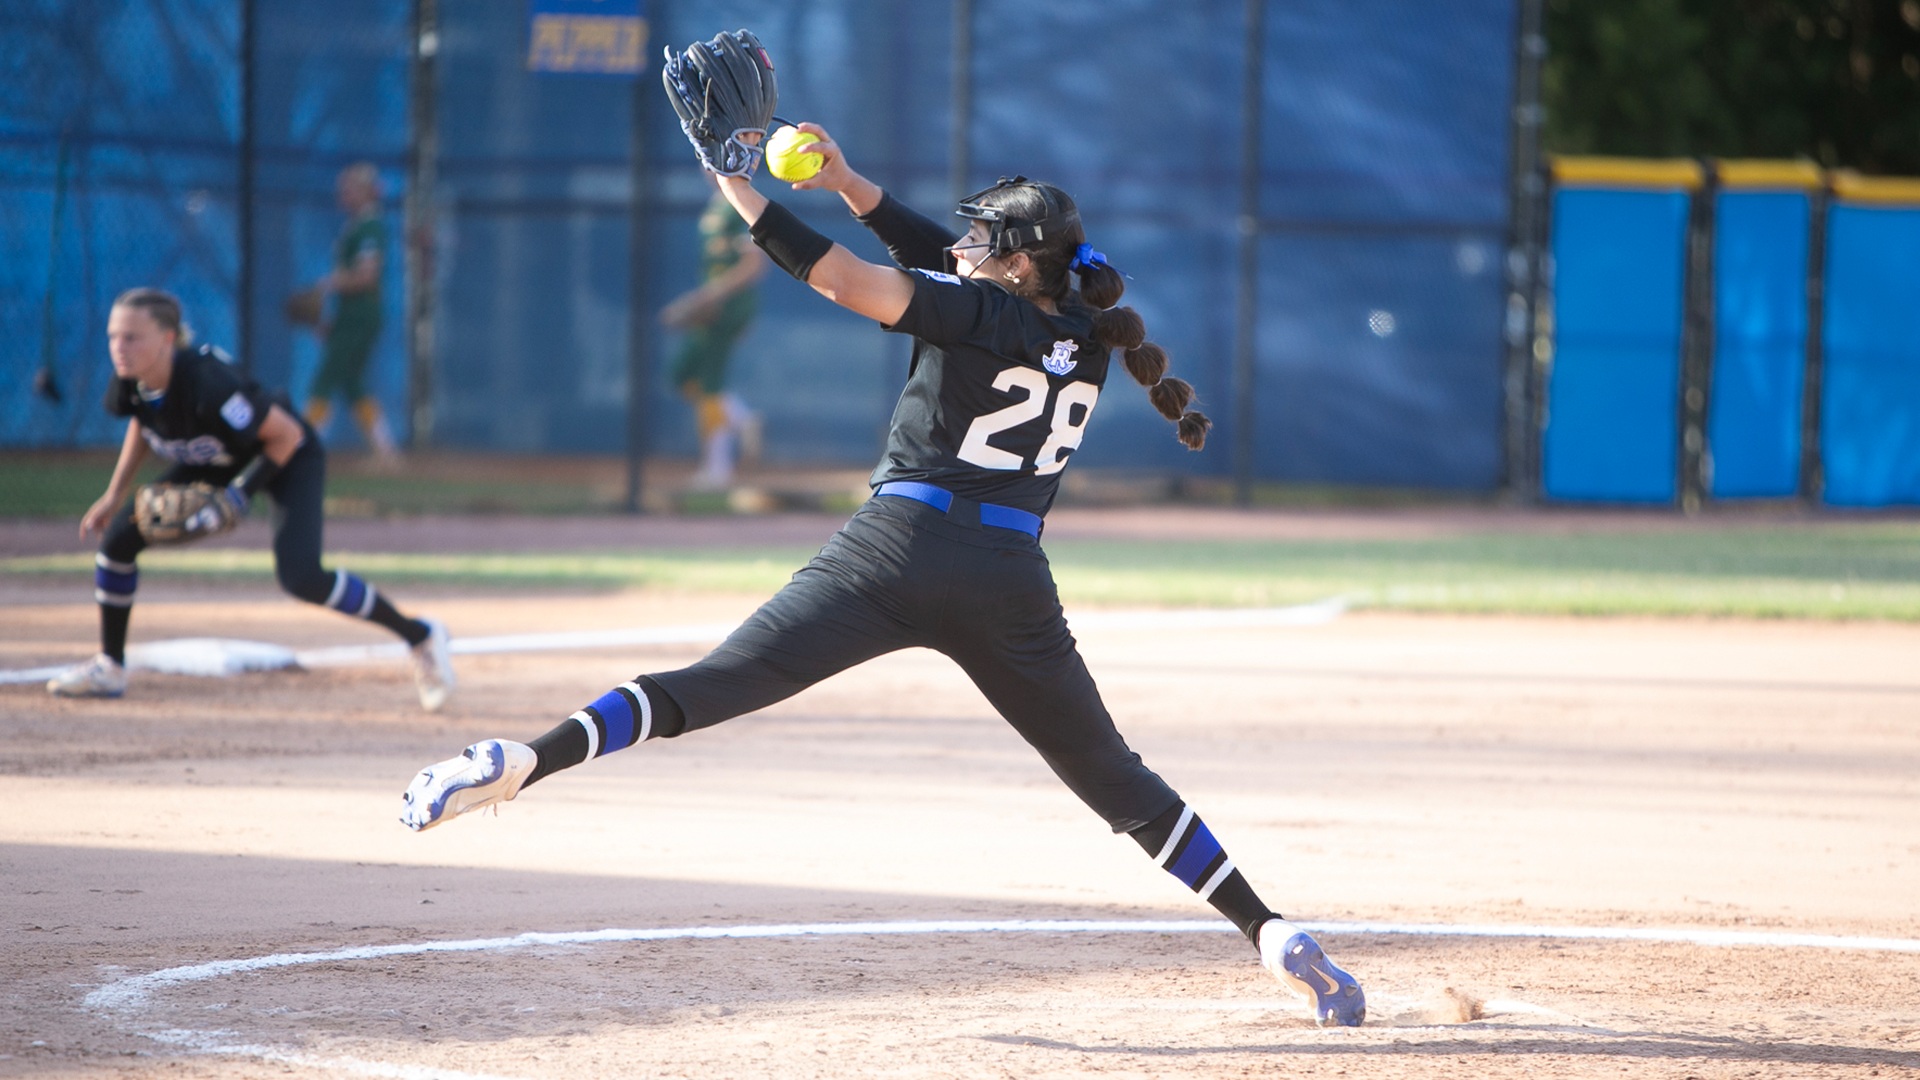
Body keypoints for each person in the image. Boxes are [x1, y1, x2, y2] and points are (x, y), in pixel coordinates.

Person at [398, 124, 1366, 1026]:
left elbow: (845, 282)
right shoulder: (1087, 334)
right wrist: (850, 181)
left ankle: (525, 761)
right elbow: (937, 264)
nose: (965, 241)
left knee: (709, 685)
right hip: (1009, 578)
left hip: (896, 552)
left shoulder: (980, 307)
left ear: (1019, 262)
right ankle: (1269, 929)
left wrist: (733, 183)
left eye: (984, 236)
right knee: (1117, 779)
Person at [48, 288, 455, 712]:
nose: (120, 347)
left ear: (168, 338)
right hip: (216, 458)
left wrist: (238, 496)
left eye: (133, 337)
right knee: (118, 540)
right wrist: (115, 493)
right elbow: (143, 423)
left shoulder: (207, 382)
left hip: (284, 455)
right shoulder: (131, 381)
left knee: (302, 578)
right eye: (114, 336)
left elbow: (286, 435)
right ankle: (110, 666)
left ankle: (420, 635)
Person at [660, 175, 768, 490]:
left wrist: (709, 298)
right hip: (713, 303)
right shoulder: (716, 205)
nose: (708, 165)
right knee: (683, 375)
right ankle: (740, 419)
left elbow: (754, 266)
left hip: (726, 305)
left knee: (710, 385)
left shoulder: (738, 205)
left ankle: (717, 469)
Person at [303, 162, 401, 466]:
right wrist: (333, 317)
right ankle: (385, 452)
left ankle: (300, 447)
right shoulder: (356, 225)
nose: (342, 194)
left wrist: (328, 284)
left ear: (368, 192)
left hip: (361, 315)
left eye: (350, 188)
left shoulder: (370, 225)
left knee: (325, 378)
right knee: (351, 382)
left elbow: (367, 276)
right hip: (351, 315)